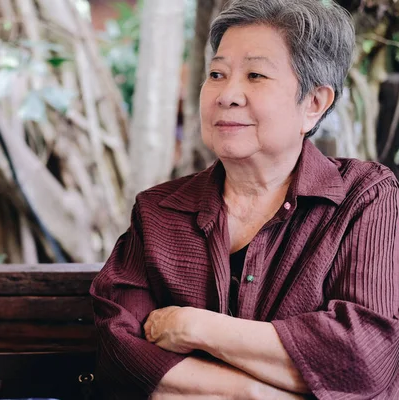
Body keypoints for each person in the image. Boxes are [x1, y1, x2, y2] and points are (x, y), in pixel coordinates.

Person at [89, 0, 399, 398]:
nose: (227, 94)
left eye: (255, 75)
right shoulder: (158, 212)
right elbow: (119, 358)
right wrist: (254, 394)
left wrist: (194, 328)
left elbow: (363, 361)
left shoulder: (365, 197)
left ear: (314, 103)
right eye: (216, 74)